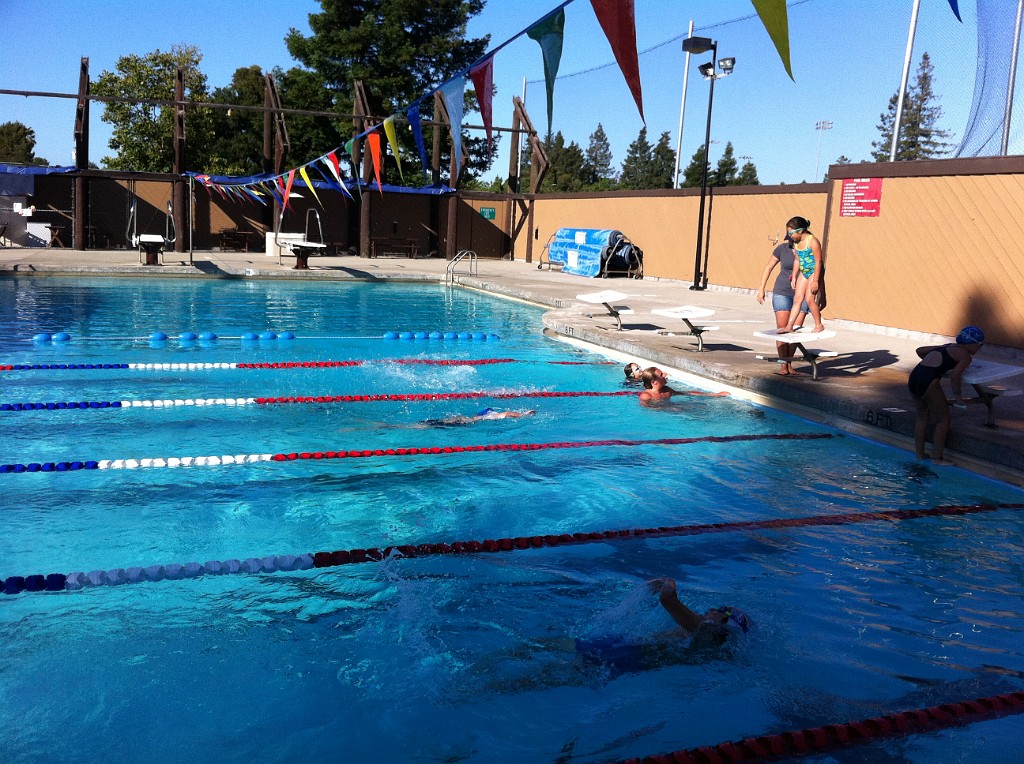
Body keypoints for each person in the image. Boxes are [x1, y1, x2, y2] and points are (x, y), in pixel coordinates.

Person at [907, 326, 984, 464]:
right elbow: (955, 376)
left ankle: (920, 455)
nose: (980, 348)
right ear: (972, 344)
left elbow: (919, 350)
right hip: (928, 381)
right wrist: (958, 397)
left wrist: (937, 355)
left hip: (914, 377)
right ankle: (937, 459)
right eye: (980, 345)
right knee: (943, 419)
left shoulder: (946, 346)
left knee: (922, 417)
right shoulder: (965, 356)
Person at [756, 234, 809, 375]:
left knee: (795, 331)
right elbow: (768, 267)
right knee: (782, 330)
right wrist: (761, 289)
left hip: (803, 294)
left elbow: (819, 271)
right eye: (789, 238)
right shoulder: (782, 249)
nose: (791, 241)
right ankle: (783, 365)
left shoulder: (809, 249)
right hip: (782, 293)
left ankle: (788, 362)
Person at [778, 216, 825, 334]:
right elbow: (797, 260)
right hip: (804, 272)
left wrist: (815, 281)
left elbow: (818, 262)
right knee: (797, 299)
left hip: (814, 272)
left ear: (800, 231)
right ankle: (789, 326)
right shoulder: (796, 243)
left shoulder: (812, 241)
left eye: (791, 233)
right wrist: (794, 276)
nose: (790, 236)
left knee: (809, 299)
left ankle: (819, 325)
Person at [423, 408, 536, 427]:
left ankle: (423, 424)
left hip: (464, 420)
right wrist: (523, 415)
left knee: (439, 422)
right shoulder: (493, 416)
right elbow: (507, 413)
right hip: (465, 423)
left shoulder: (484, 416)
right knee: (440, 424)